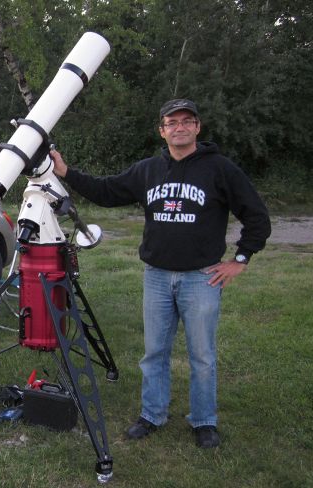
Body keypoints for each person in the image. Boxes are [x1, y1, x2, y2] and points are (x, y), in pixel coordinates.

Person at [50, 98, 271, 448]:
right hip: (157, 276)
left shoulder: (220, 169)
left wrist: (240, 259)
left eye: (186, 121)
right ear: (162, 131)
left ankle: (204, 421)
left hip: (201, 277)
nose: (179, 127)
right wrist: (66, 172)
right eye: (172, 122)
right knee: (154, 352)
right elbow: (107, 191)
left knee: (202, 356)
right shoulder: (148, 170)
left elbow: (257, 216)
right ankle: (152, 414)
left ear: (197, 127)